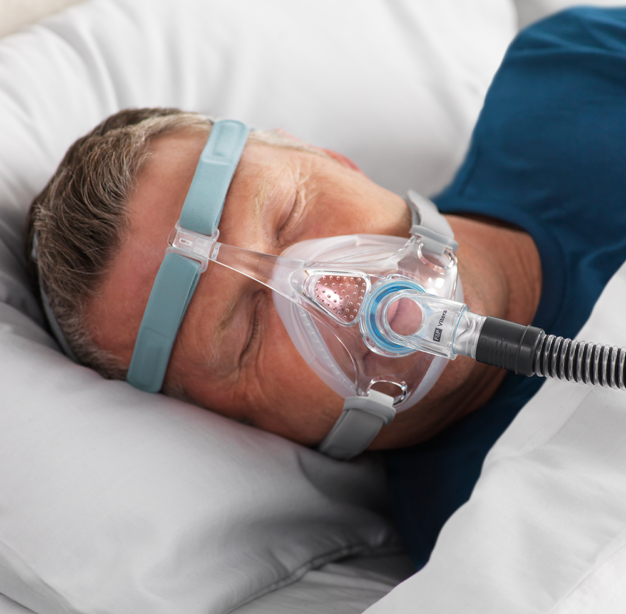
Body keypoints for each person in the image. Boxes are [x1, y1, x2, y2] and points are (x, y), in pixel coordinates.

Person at [26, 7, 626, 569]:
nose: (333, 289)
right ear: (247, 430)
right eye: (247, 333)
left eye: (288, 214)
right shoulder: (495, 552)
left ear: (332, 159)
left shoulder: (574, 71)